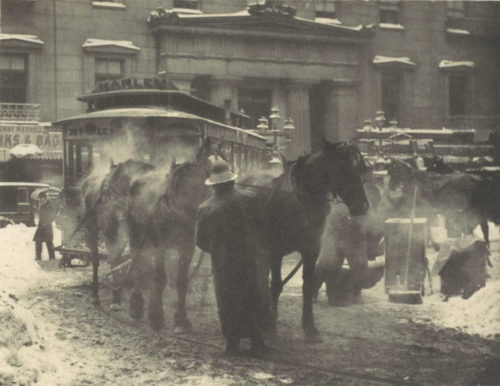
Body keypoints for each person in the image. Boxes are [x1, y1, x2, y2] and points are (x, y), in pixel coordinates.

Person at [195, 158, 271, 355]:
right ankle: (257, 342)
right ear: (231, 181)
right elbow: (263, 227)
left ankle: (231, 343)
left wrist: (219, 250)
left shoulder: (204, 207)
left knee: (227, 299)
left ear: (213, 184)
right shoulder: (248, 200)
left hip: (222, 263)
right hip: (248, 258)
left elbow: (200, 241)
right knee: (251, 296)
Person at [33, 191, 57, 261]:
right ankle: (38, 257)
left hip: (47, 226)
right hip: (41, 226)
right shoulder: (42, 204)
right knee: (38, 241)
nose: (41, 199)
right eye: (40, 198)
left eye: (42, 198)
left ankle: (52, 257)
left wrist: (47, 221)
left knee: (49, 241)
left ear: (45, 198)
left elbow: (53, 215)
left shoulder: (49, 205)